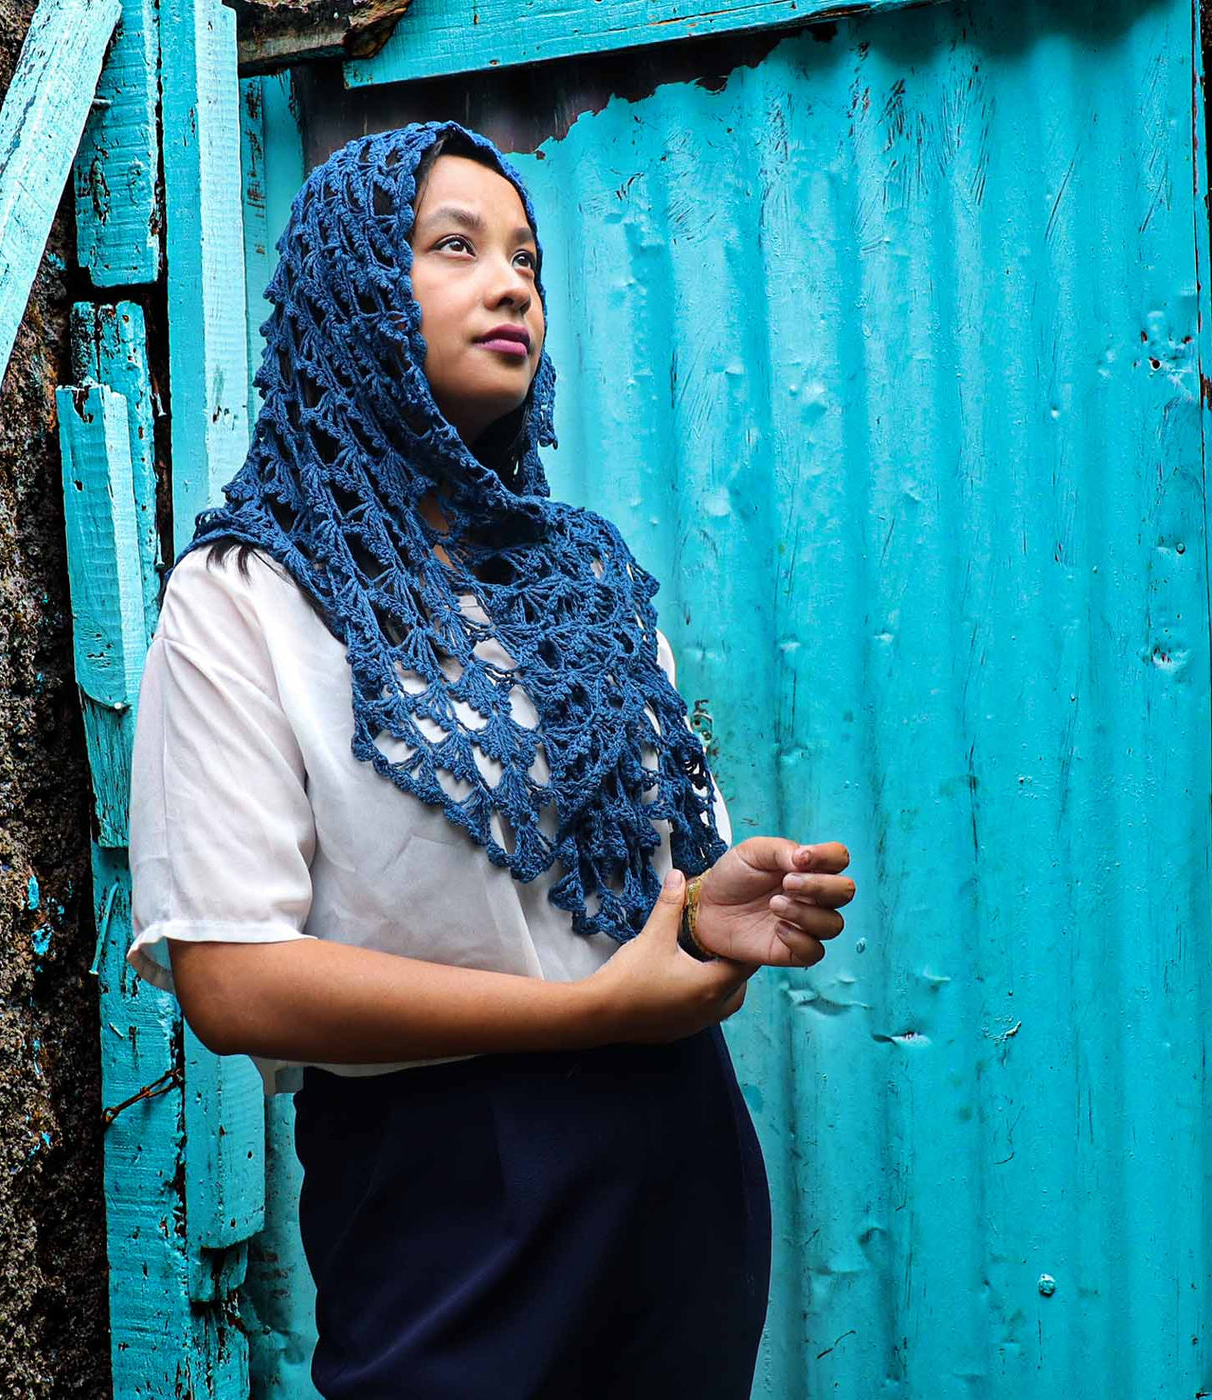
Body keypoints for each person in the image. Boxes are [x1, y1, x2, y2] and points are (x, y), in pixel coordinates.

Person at [126, 120, 856, 1399]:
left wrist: (708, 908)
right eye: (451, 246)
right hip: (448, 1186)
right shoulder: (245, 595)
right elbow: (230, 979)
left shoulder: (581, 576)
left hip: (676, 1154)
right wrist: (580, 1013)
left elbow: (633, 917)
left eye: (521, 253)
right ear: (349, 296)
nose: (511, 280)